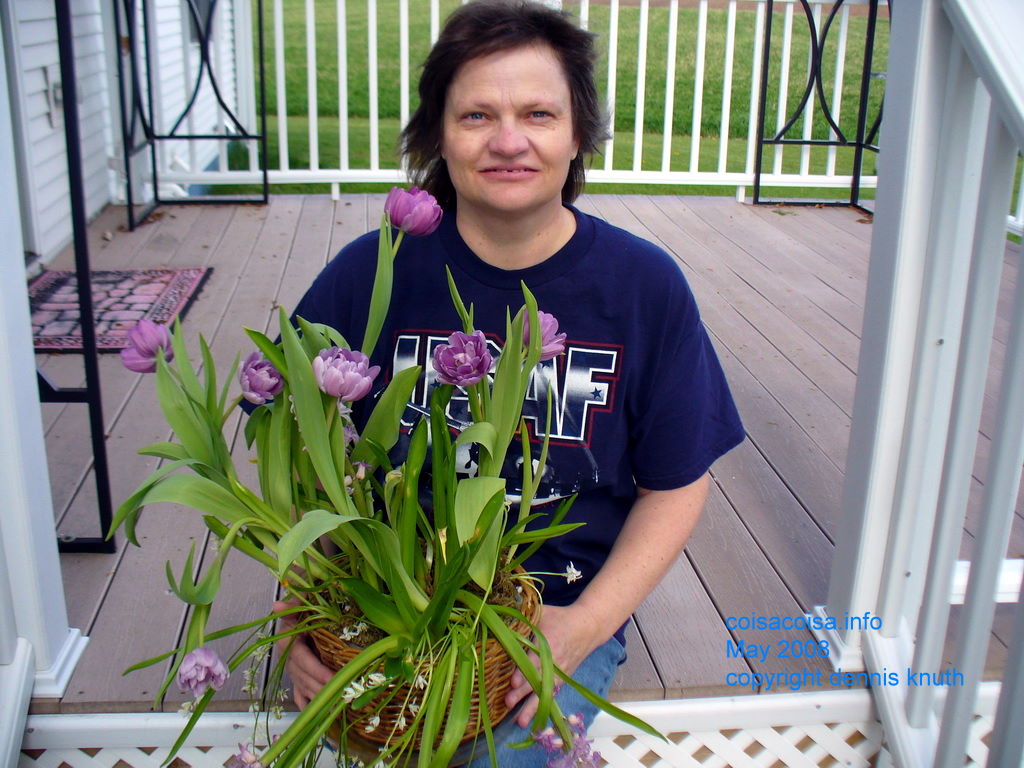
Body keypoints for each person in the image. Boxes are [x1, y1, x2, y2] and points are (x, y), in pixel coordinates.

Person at [275, 1, 745, 765]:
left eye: (538, 113)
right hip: (379, 599)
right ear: (436, 135)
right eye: (476, 116)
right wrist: (300, 611)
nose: (508, 140)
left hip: (552, 611)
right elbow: (291, 453)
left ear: (577, 134)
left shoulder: (641, 287)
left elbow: (677, 483)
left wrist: (586, 625)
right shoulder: (375, 272)